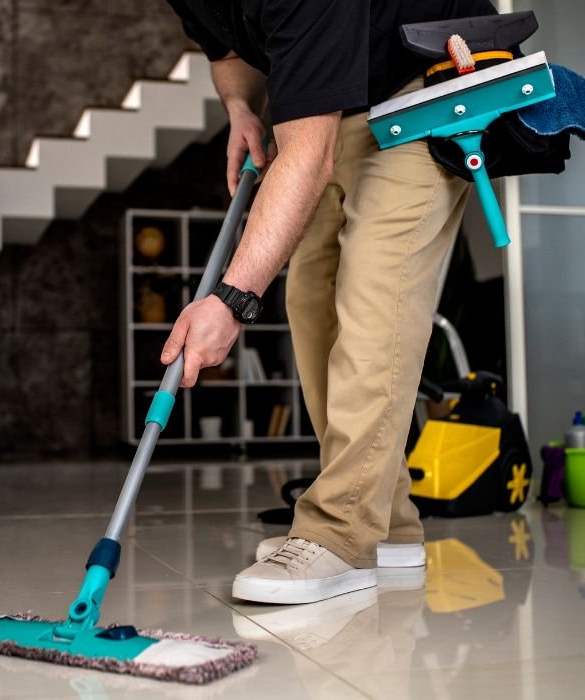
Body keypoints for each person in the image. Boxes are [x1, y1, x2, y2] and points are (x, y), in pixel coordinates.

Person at [161, 0, 495, 604]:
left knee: (375, 300)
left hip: (425, 89)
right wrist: (239, 106)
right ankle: (388, 525)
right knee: (310, 302)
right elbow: (226, 48)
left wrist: (230, 301)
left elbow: (307, 158)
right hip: (334, 102)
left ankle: (340, 530)